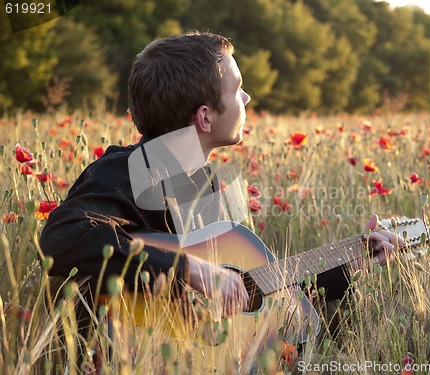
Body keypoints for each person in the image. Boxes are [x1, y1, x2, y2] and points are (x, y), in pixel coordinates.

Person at [39, 31, 402, 358]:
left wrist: (354, 260)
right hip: (117, 356)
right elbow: (62, 235)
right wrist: (189, 269)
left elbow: (252, 282)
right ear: (206, 118)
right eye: (236, 88)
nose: (246, 96)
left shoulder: (201, 183)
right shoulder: (128, 169)